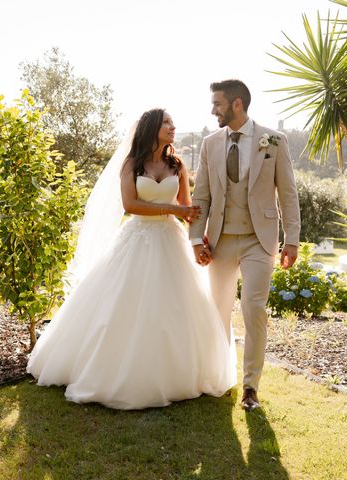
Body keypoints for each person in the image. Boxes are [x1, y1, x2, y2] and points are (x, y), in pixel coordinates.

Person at [27, 108, 236, 410]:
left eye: (173, 123)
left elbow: (188, 209)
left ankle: (176, 373)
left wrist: (196, 243)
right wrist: (174, 211)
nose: (173, 126)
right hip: (137, 238)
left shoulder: (177, 165)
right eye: (167, 122)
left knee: (175, 306)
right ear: (152, 128)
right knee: (124, 302)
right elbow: (131, 204)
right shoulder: (132, 164)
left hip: (170, 241)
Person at [190, 79, 301, 411]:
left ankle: (251, 387)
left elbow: (289, 193)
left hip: (259, 239)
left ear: (237, 104)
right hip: (220, 239)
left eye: (217, 104)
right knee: (218, 310)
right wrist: (197, 238)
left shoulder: (274, 140)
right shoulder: (210, 143)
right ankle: (219, 376)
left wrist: (291, 240)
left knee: (254, 309)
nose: (213, 110)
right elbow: (202, 196)